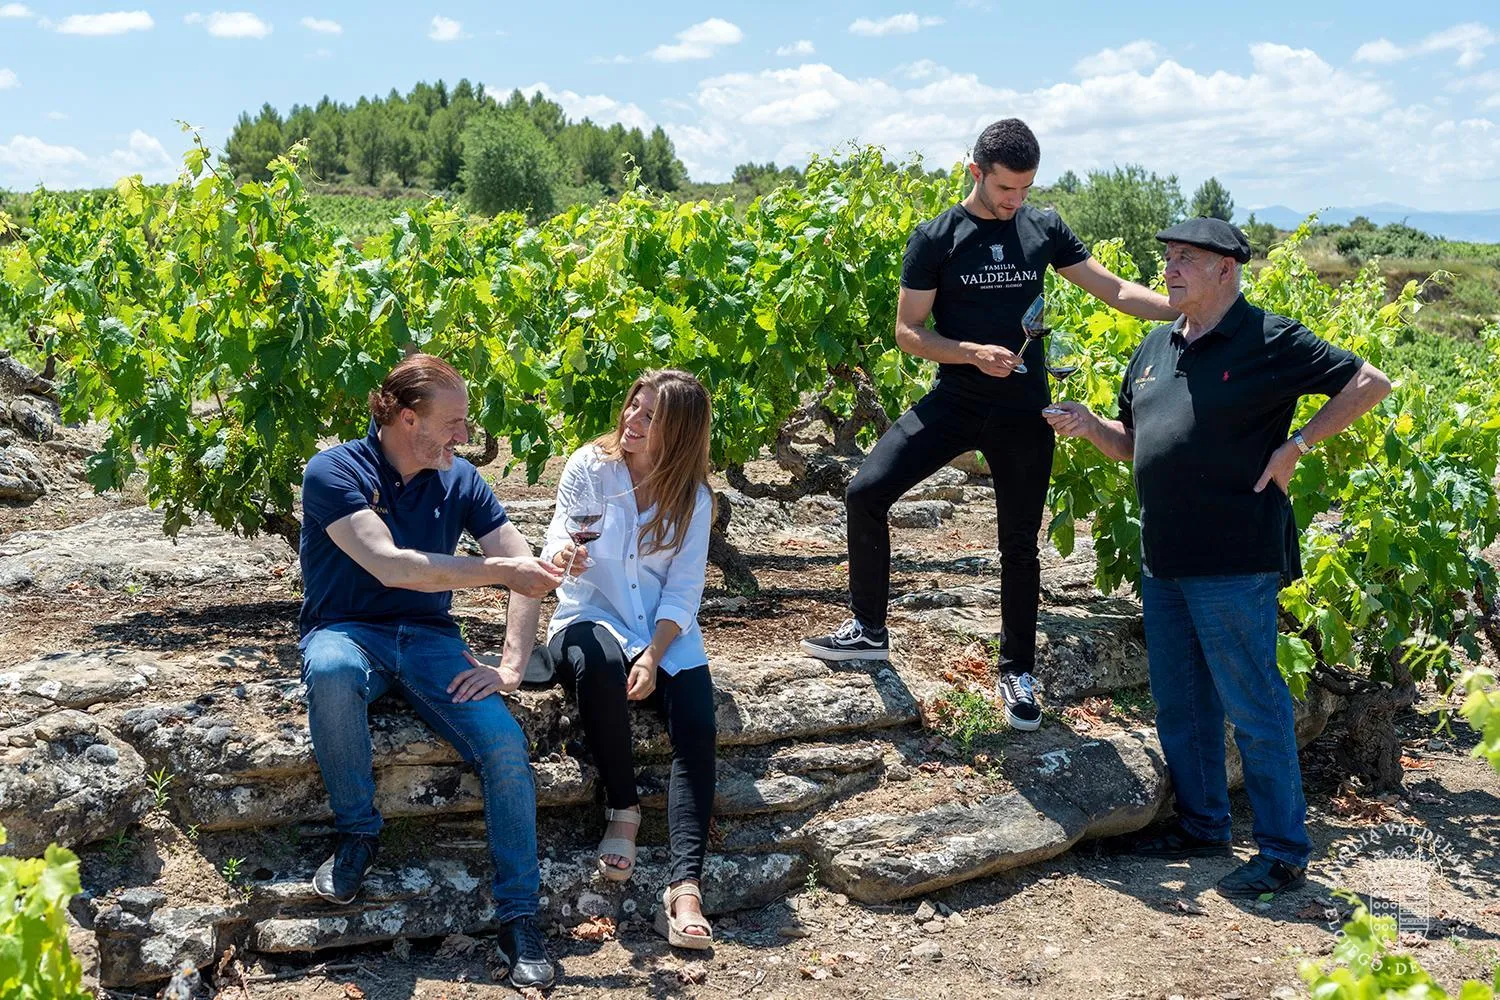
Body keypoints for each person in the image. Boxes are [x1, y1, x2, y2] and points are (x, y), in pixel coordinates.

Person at [1044, 218, 1392, 897]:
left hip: (1235, 559)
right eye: (1168, 256)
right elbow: (1133, 442)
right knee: (1181, 706)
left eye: (1186, 258)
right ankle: (1202, 825)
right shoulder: (1155, 346)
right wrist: (1089, 426)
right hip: (1164, 557)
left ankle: (1283, 852)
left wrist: (1297, 446)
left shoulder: (1269, 338)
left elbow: (1370, 382)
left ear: (1225, 269)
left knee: (1254, 705)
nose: (1169, 268)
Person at [800, 118, 1179, 731]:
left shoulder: (1043, 227)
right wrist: (971, 353)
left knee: (1019, 545)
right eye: (1006, 188)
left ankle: (1017, 673)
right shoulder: (936, 238)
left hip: (1023, 412)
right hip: (955, 400)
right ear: (975, 172)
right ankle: (869, 629)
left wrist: (1182, 307)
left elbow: (1113, 290)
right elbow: (908, 332)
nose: (1015, 201)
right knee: (865, 491)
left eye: (1026, 189)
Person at [297, 353, 569, 988]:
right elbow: (391, 565)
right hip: (348, 630)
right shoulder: (334, 470)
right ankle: (358, 834)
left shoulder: (462, 479)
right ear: (406, 417)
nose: (465, 436)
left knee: (504, 744)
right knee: (331, 672)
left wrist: (511, 665)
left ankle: (519, 919)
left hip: (430, 640)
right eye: (453, 422)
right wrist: (502, 572)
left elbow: (525, 567)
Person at [541, 369, 719, 950]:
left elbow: (683, 592)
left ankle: (685, 888)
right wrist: (563, 556)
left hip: (663, 630)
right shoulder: (590, 468)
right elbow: (557, 538)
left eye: (650, 416)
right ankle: (624, 808)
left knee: (696, 721)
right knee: (599, 662)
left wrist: (655, 653)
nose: (632, 421)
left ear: (680, 431)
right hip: (588, 615)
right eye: (633, 407)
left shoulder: (694, 499)